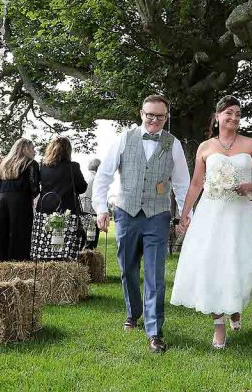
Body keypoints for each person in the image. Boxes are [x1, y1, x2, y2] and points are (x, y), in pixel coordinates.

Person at [171, 95, 252, 349]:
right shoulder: (205, 147)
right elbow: (197, 184)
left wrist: (249, 185)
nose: (233, 118)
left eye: (238, 114)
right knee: (212, 263)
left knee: (237, 261)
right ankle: (218, 325)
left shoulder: (250, 144)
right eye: (228, 113)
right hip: (212, 212)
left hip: (241, 213)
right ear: (217, 116)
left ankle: (235, 307)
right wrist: (185, 212)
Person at [93, 95, 190, 354]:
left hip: (157, 215)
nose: (154, 120)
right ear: (141, 113)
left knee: (155, 274)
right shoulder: (124, 138)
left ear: (166, 118)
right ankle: (132, 312)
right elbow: (103, 175)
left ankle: (155, 331)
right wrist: (101, 208)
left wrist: (186, 213)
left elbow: (181, 183)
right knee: (128, 269)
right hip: (126, 212)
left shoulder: (173, 144)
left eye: (160, 116)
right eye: (150, 115)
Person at [0, 138, 40, 261]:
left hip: (1, 200)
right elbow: (34, 186)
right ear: (26, 149)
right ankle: (17, 259)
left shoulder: (4, 164)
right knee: (19, 231)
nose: (35, 151)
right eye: (33, 148)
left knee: (0, 231)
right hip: (20, 199)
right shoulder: (30, 164)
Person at [37, 136, 87, 245]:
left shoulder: (42, 166)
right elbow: (82, 187)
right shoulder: (73, 167)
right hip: (67, 210)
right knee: (67, 245)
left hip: (45, 208)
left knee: (45, 243)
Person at [80, 158, 101, 250]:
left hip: (81, 211)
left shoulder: (84, 176)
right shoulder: (97, 179)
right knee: (92, 241)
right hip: (92, 212)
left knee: (83, 240)